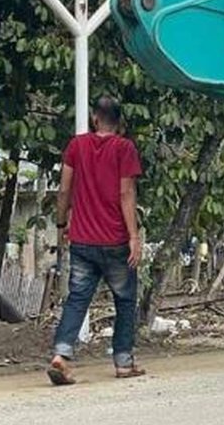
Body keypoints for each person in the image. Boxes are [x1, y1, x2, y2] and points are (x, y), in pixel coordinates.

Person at [48, 96, 145, 385]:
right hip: (114, 240)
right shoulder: (124, 148)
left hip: (82, 240)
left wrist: (62, 223)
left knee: (77, 299)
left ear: (94, 118)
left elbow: (64, 190)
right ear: (120, 122)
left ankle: (61, 355)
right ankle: (123, 362)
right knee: (125, 300)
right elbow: (126, 193)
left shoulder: (77, 146)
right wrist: (133, 236)